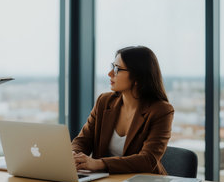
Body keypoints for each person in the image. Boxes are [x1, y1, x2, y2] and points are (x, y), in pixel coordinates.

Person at [72, 46, 174, 174]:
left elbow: (148, 160)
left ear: (138, 77)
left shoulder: (161, 111)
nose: (110, 73)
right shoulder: (104, 102)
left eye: (117, 69)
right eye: (112, 66)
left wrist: (99, 163)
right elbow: (83, 140)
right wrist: (73, 155)